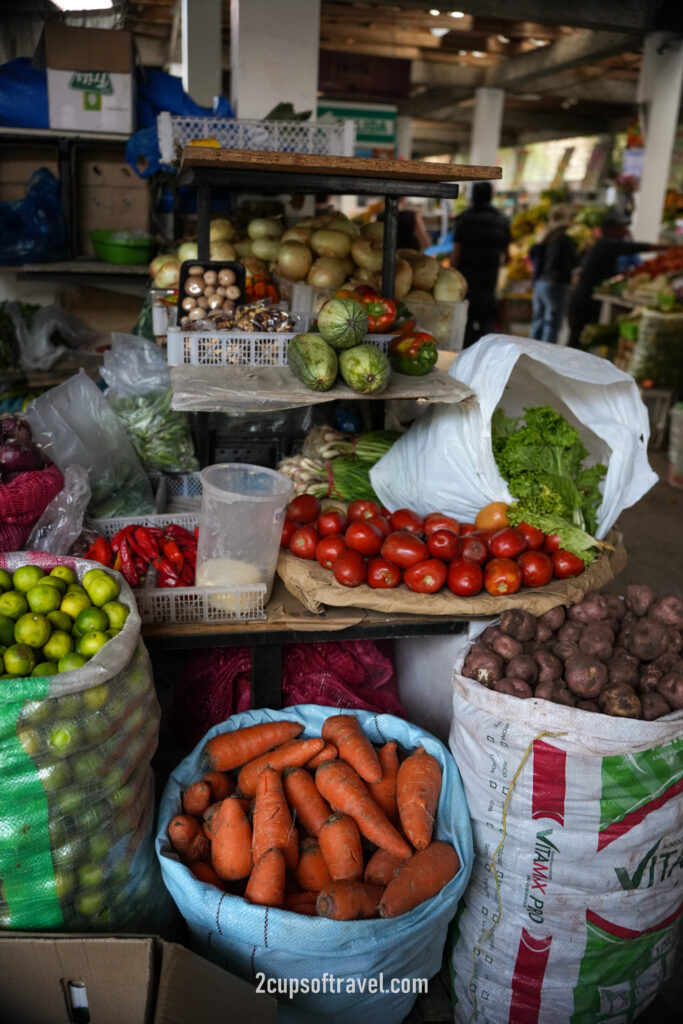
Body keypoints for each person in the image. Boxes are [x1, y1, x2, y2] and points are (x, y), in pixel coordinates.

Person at [567, 212, 665, 348]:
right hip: (583, 300)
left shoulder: (605, 244)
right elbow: (632, 248)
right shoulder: (606, 244)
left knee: (580, 342)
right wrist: (664, 247)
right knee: (576, 341)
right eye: (621, 228)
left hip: (586, 299)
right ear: (611, 229)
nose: (624, 231)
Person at [450, 181, 511, 347]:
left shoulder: (465, 219)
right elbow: (507, 256)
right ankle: (486, 355)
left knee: (466, 323)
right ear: (491, 196)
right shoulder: (501, 220)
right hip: (488, 280)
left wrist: (451, 273)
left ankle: (465, 358)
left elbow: (457, 251)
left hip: (466, 279)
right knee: (487, 322)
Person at [529, 204, 579, 344]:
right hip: (556, 284)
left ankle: (531, 351)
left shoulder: (544, 236)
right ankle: (545, 355)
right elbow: (574, 262)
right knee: (552, 323)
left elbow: (533, 257)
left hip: (540, 283)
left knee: (538, 320)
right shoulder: (564, 239)